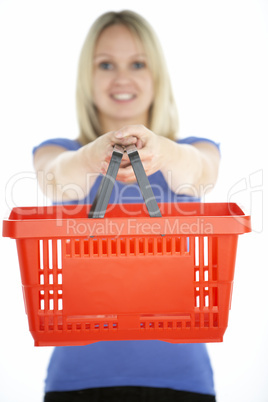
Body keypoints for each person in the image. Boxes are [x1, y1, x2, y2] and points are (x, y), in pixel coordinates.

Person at [33, 10, 220, 402]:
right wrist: (91, 157)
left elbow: (200, 172)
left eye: (137, 63)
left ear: (158, 76)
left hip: (180, 380)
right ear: (88, 76)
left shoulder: (193, 149)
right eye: (106, 64)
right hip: (77, 382)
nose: (121, 77)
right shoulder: (59, 151)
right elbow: (55, 178)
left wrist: (161, 150)